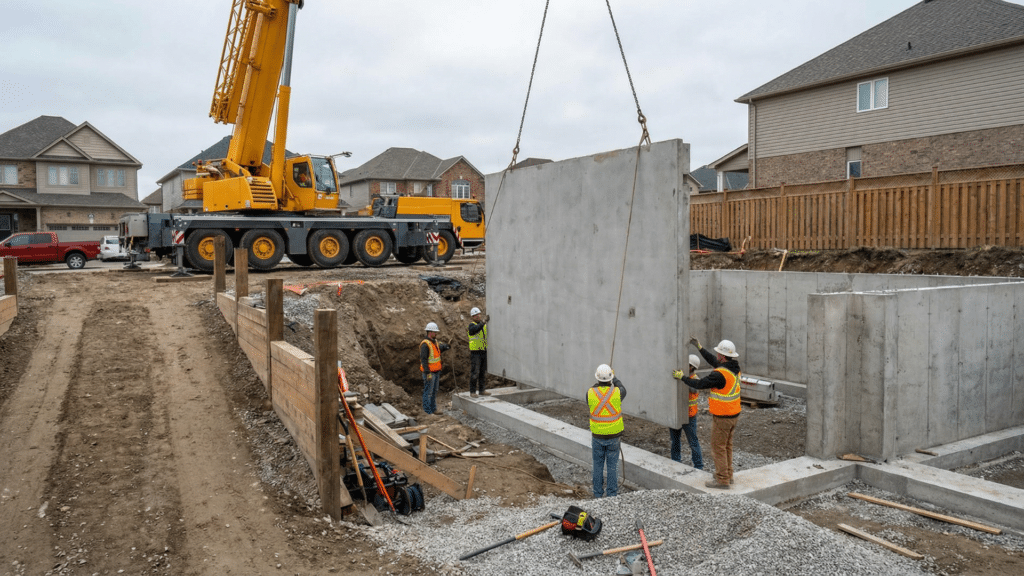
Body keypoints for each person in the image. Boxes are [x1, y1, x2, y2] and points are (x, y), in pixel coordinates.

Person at [686, 337, 741, 489]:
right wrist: (699, 347)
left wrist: (682, 378)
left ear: (722, 356)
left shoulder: (719, 375)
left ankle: (722, 479)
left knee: (718, 447)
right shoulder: (733, 369)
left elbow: (699, 383)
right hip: (733, 414)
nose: (716, 356)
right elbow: (712, 360)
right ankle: (728, 475)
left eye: (718, 353)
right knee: (726, 446)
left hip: (723, 416)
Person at [588, 363, 627, 498]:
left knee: (597, 466)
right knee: (612, 466)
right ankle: (611, 494)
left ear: (597, 378)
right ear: (610, 378)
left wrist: (603, 380)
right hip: (614, 437)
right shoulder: (617, 392)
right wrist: (613, 378)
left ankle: (598, 494)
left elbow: (593, 393)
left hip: (598, 436)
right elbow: (622, 387)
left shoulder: (590, 393)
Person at [669, 354, 704, 469]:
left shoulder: (695, 380)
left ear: (691, 367)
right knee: (675, 441)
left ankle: (699, 466)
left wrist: (683, 378)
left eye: (687, 364)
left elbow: (694, 388)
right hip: (676, 414)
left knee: (693, 443)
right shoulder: (679, 376)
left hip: (689, 417)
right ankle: (675, 462)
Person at [420, 322, 450, 414]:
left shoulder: (435, 342)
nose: (436, 333)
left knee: (434, 391)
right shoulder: (425, 344)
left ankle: (433, 409)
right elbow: (424, 360)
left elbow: (439, 349)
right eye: (435, 332)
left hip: (436, 371)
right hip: (430, 373)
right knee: (428, 392)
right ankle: (427, 411)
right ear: (430, 332)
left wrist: (446, 346)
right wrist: (427, 372)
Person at [467, 307, 489, 397]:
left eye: (478, 314)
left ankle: (482, 390)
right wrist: (483, 322)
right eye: (475, 315)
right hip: (475, 353)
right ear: (472, 317)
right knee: (475, 372)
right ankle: (472, 392)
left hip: (483, 351)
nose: (478, 316)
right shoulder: (471, 326)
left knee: (482, 372)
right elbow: (475, 330)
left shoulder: (483, 326)